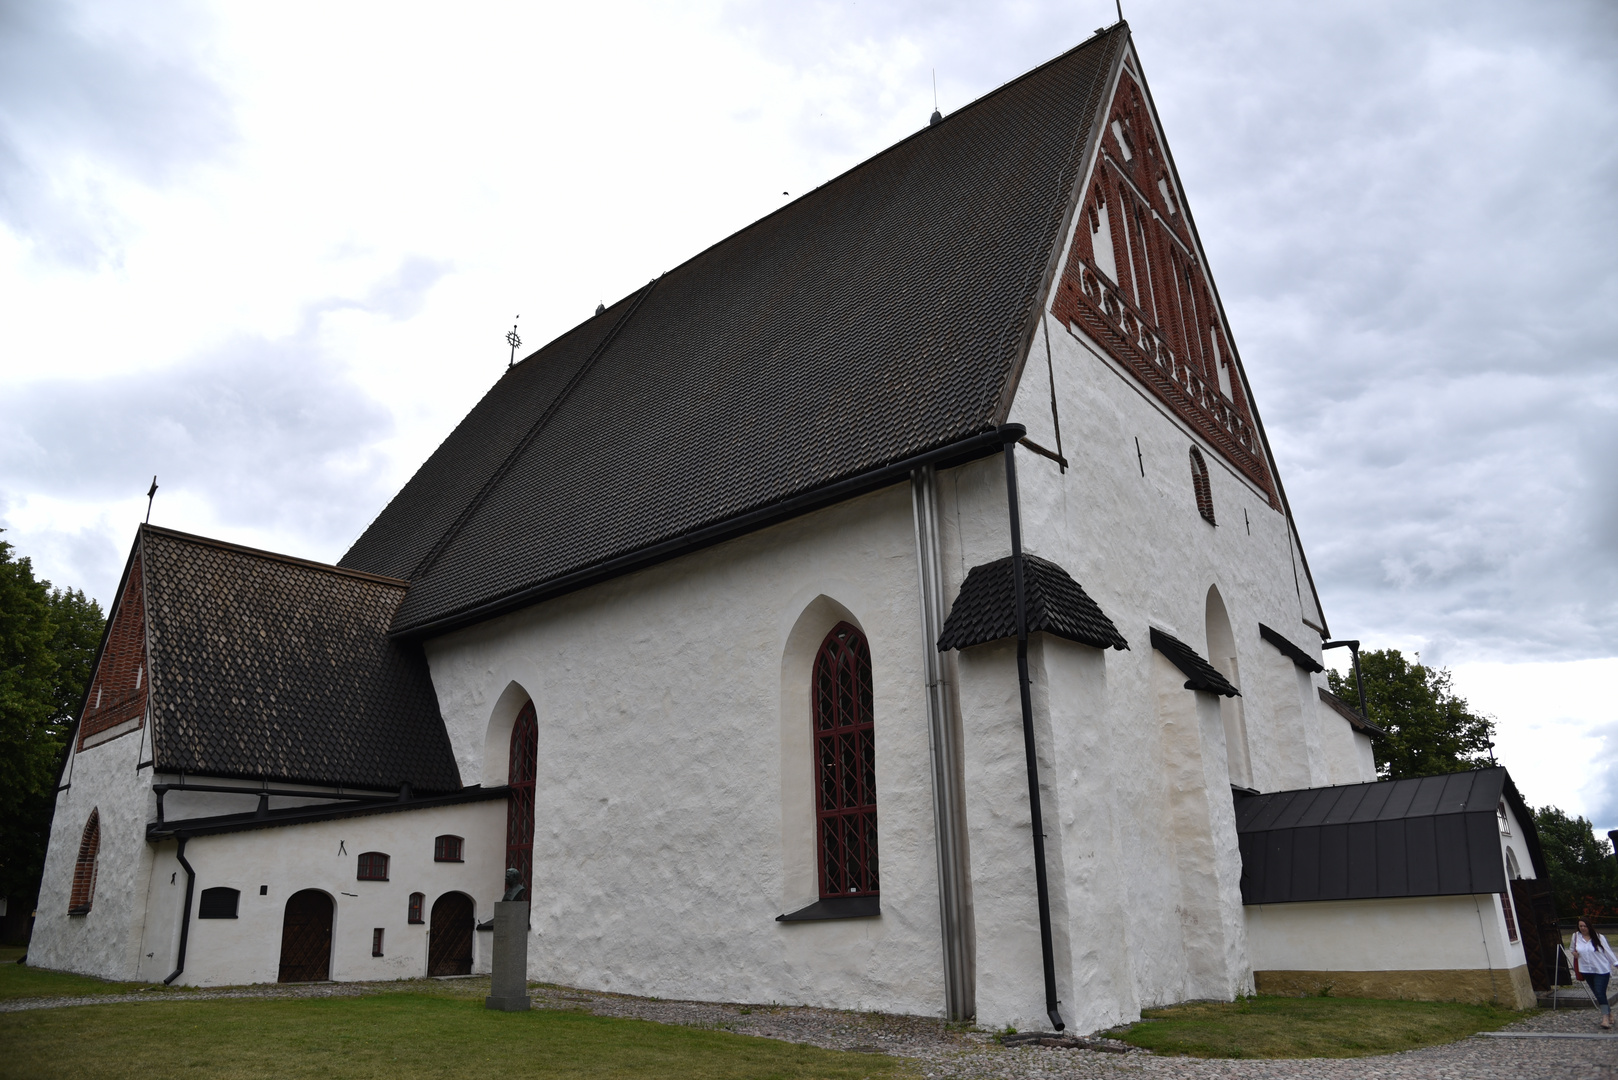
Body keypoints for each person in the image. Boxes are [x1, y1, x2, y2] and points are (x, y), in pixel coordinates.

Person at [1570, 918, 1615, 1030]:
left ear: (1589, 926)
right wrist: (1574, 954)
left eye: (1585, 926)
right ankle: (1609, 1013)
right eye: (1581, 926)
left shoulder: (1599, 937)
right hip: (1586, 970)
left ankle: (1605, 1018)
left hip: (1601, 970)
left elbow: (1608, 951)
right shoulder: (1576, 937)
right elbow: (1572, 948)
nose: (1583, 928)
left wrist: (1615, 963)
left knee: (1600, 992)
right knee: (1598, 994)